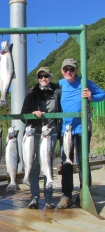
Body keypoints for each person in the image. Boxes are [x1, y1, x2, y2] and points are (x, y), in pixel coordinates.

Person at [57, 58, 105, 209]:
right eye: (66, 69)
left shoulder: (85, 82)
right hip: (66, 130)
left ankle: (85, 192)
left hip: (83, 128)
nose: (69, 72)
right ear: (62, 71)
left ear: (76, 70)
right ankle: (66, 196)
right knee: (66, 163)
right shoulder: (59, 84)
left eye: (72, 69)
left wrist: (91, 96)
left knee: (83, 161)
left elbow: (102, 94)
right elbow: (46, 95)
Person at [21, 67, 61, 209]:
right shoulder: (32, 93)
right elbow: (22, 115)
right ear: (38, 78)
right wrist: (32, 112)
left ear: (50, 76)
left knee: (48, 162)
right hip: (35, 133)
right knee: (35, 164)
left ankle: (49, 197)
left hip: (52, 132)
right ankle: (34, 197)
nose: (43, 79)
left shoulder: (57, 90)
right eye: (40, 76)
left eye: (46, 76)